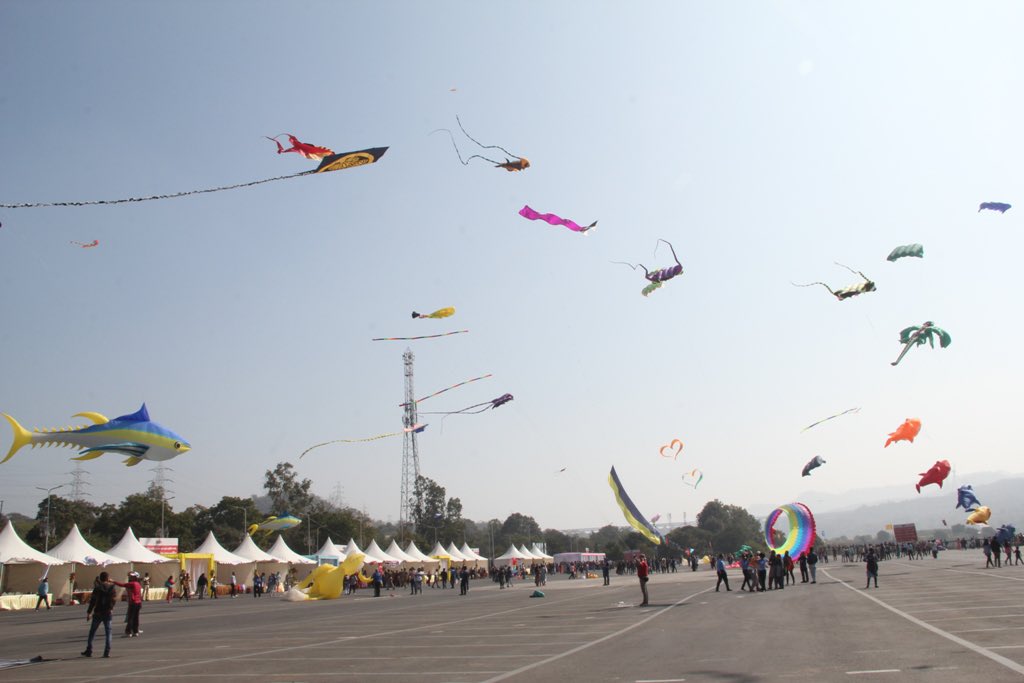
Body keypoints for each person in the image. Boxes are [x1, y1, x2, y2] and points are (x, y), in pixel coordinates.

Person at [82, 572, 117, 658]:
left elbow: (93, 601)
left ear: (100, 579)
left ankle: (89, 650)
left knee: (92, 631)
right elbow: (114, 600)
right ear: (108, 578)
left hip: (98, 612)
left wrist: (89, 612)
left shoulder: (97, 588)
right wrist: (111, 608)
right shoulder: (112, 588)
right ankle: (107, 651)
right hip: (108, 612)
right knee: (108, 632)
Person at [113, 572, 143, 638]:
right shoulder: (138, 584)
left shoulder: (132, 583)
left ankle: (128, 632)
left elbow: (122, 585)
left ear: (135, 577)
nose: (130, 577)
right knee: (136, 618)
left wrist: (113, 581)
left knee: (130, 618)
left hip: (133, 602)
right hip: (138, 602)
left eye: (132, 576)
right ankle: (135, 631)